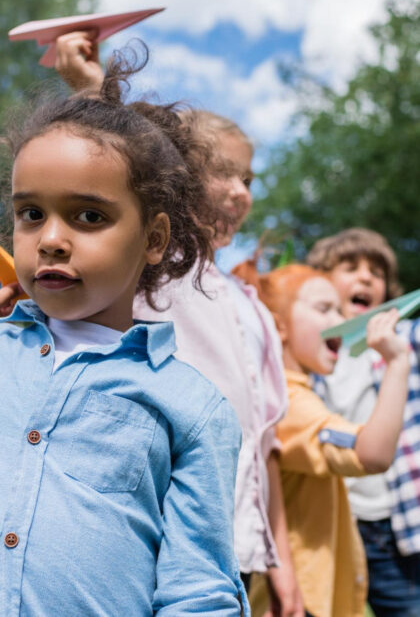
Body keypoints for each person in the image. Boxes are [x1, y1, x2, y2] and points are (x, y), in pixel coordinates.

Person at [50, 31, 305, 617]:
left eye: (250, 179)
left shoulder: (249, 303)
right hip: (151, 533)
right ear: (181, 179)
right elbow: (119, 171)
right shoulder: (158, 269)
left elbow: (263, 445)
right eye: (225, 173)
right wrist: (93, 91)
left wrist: (279, 560)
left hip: (234, 545)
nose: (240, 192)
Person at [0, 53, 249, 616]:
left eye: (89, 217)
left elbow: (198, 590)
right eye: (30, 214)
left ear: (155, 238)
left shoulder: (194, 407)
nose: (51, 240)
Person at [233, 262, 410, 617]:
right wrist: (398, 361)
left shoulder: (294, 396)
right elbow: (371, 455)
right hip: (301, 604)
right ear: (279, 326)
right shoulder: (289, 405)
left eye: (340, 310)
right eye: (324, 309)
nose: (340, 322)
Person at [307, 228, 420, 617]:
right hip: (336, 527)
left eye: (376, 272)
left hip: (399, 527)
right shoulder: (307, 355)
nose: (366, 277)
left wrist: (396, 355)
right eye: (351, 267)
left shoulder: (404, 340)